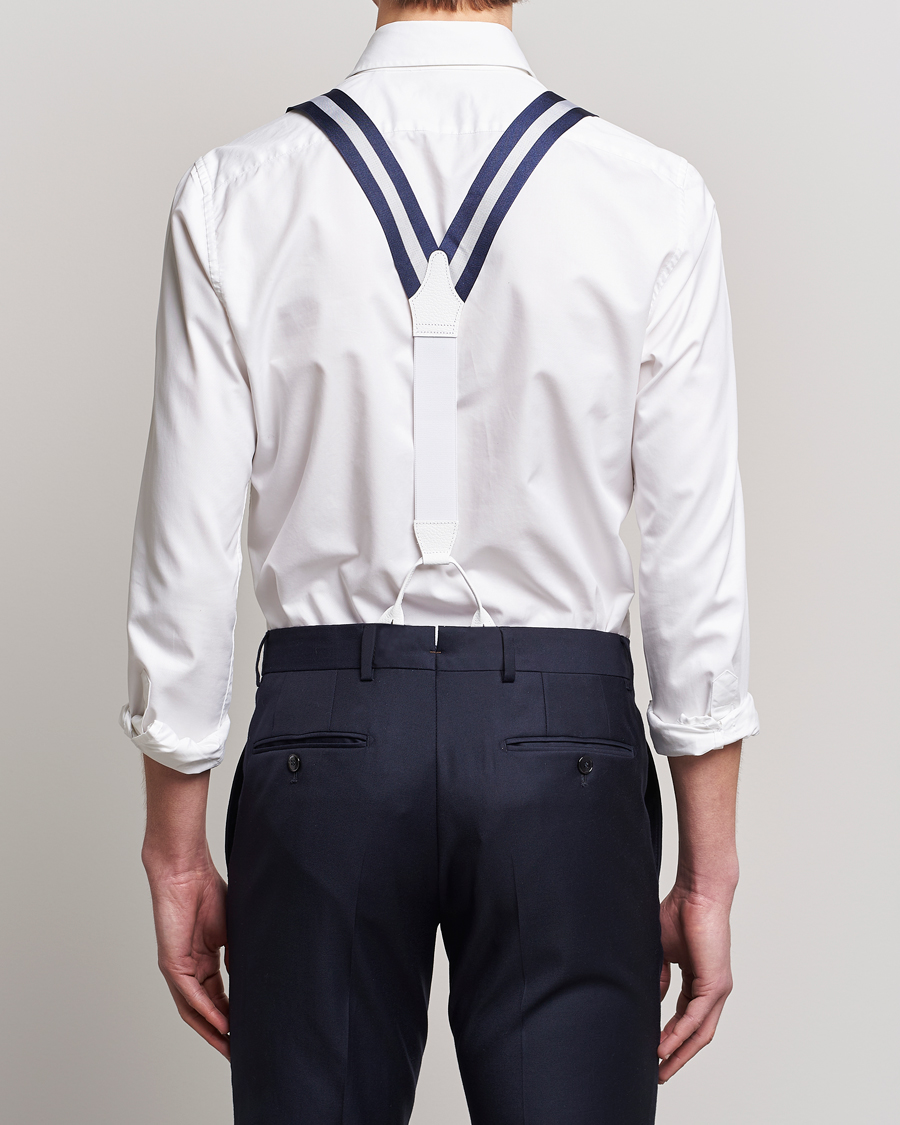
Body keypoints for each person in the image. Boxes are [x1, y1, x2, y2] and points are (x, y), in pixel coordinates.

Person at [122, 0, 759, 1121]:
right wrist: (710, 872)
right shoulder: (653, 195)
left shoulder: (234, 192)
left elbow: (185, 547)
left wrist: (175, 855)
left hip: (325, 742)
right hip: (564, 748)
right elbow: (693, 555)